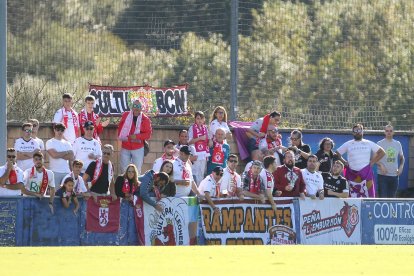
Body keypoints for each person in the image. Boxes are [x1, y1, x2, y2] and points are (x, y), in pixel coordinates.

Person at [336, 124, 385, 198]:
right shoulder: (348, 144)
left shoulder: (368, 143)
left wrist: (372, 162)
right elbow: (337, 153)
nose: (357, 132)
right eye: (355, 130)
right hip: (352, 174)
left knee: (369, 196)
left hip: (366, 173)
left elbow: (382, 152)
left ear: (362, 131)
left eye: (359, 130)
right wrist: (344, 162)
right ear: (353, 132)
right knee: (351, 197)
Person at [118, 99, 152, 174]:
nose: (136, 108)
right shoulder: (125, 115)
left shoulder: (145, 119)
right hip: (125, 146)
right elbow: (120, 127)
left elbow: (148, 135)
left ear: (141, 108)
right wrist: (121, 136)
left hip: (138, 148)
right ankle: (125, 185)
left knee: (137, 170)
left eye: (139, 106)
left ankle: (136, 185)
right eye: (135, 106)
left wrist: (137, 136)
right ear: (132, 107)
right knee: (124, 169)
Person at [376, 124, 405, 198]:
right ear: (384, 132)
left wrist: (401, 167)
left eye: (390, 131)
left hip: (394, 176)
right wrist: (381, 165)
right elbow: (373, 159)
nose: (389, 132)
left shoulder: (397, 144)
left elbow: (402, 157)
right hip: (383, 176)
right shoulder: (379, 144)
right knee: (383, 199)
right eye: (387, 131)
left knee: (392, 199)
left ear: (393, 132)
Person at [188, 111, 210, 185]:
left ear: (204, 120)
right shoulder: (192, 128)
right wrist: (200, 138)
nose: (199, 120)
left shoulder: (205, 128)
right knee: (195, 172)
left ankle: (200, 190)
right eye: (198, 118)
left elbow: (208, 139)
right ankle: (195, 190)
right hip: (196, 153)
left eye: (201, 118)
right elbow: (189, 141)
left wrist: (209, 141)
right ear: (195, 119)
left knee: (202, 173)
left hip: (204, 154)